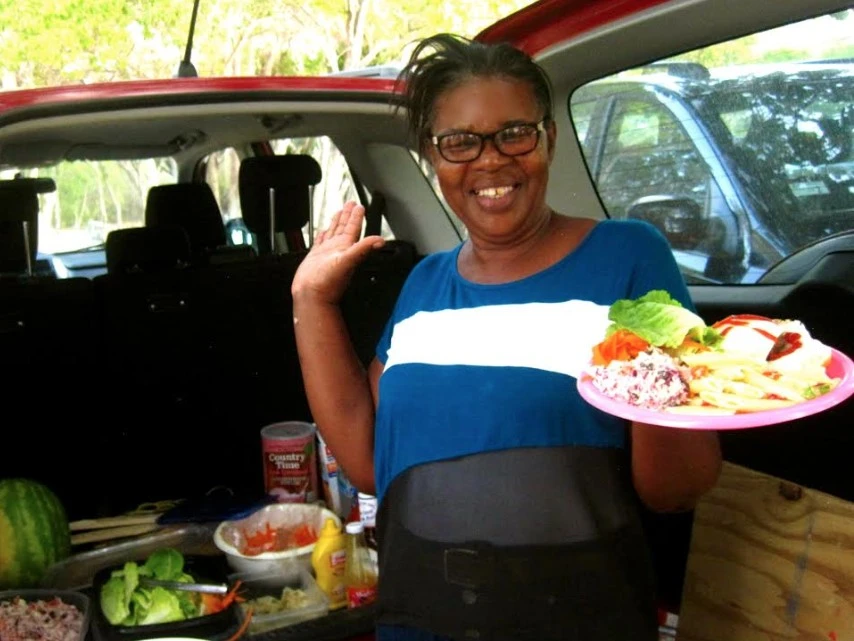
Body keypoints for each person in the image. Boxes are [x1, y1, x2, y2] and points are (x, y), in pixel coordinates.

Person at [291, 33, 722, 641]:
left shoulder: (628, 256)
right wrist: (312, 299)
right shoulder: (424, 283)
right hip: (420, 623)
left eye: (514, 134)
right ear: (433, 156)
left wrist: (655, 377)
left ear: (549, 139)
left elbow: (677, 490)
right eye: (459, 142)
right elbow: (366, 463)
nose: (489, 161)